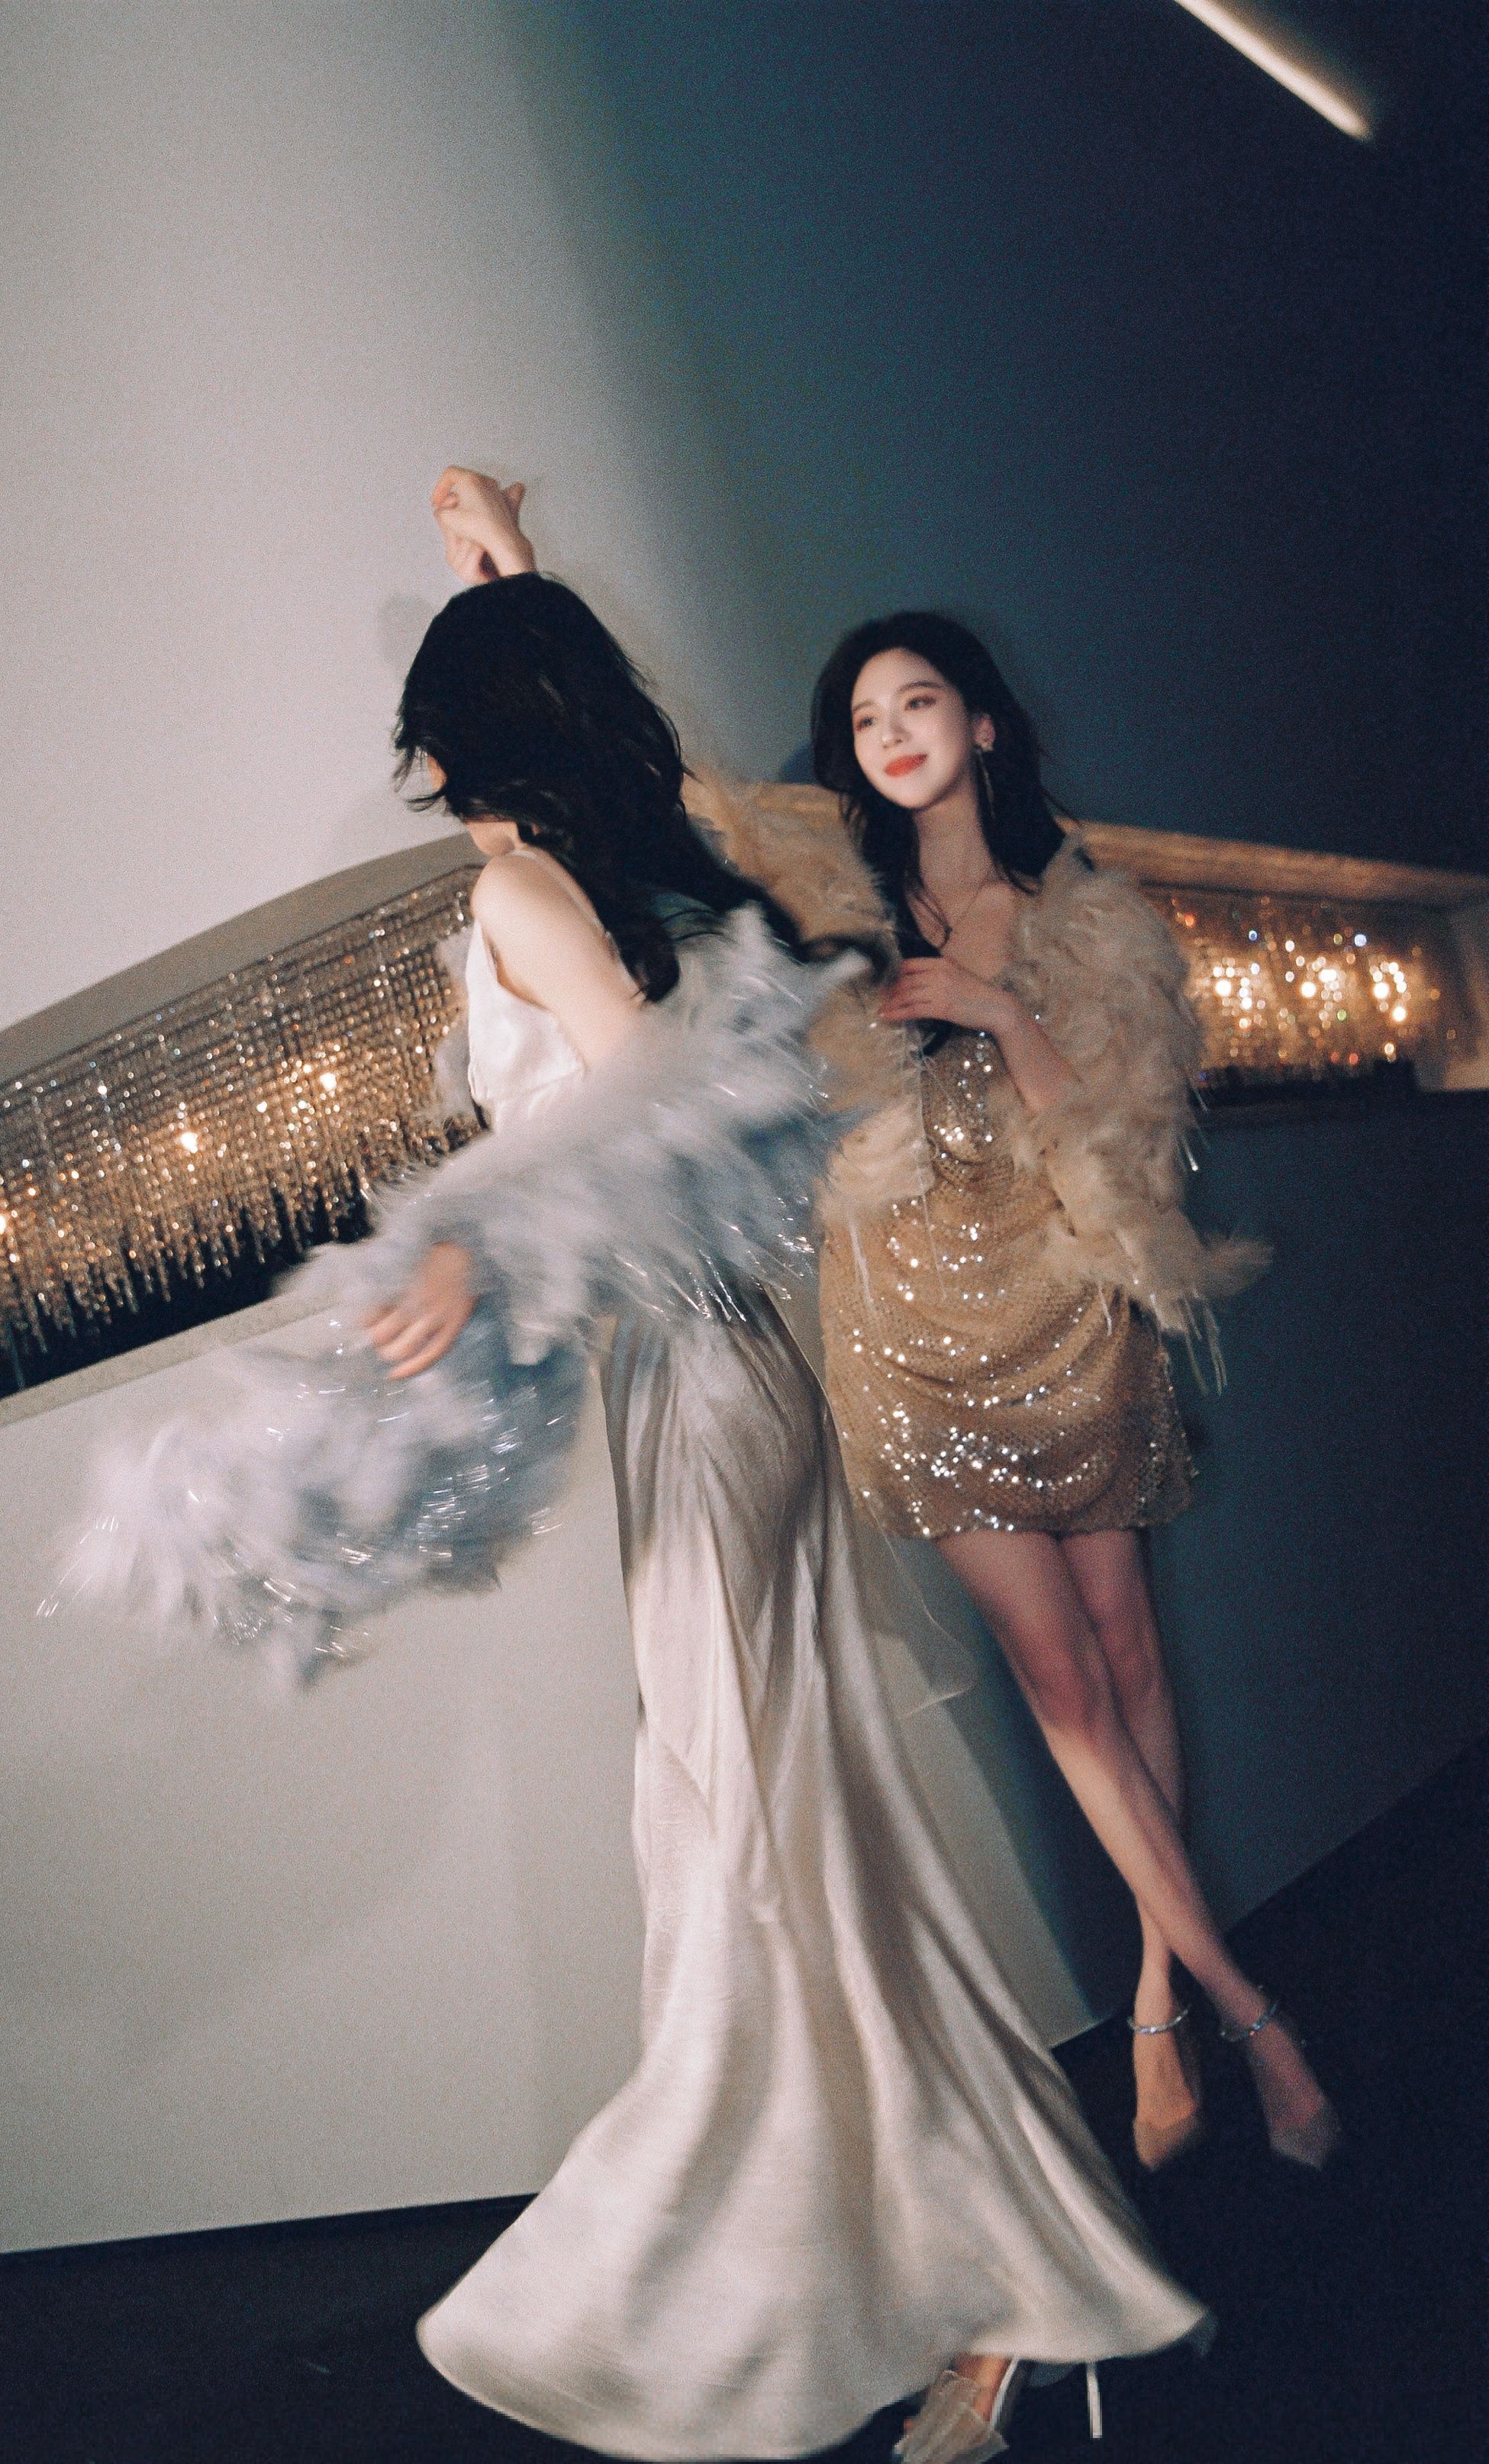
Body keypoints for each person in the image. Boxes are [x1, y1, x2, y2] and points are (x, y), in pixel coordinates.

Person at [364, 472, 1208, 2464]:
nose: (405, 765)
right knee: (798, 1822)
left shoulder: (524, 890)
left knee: (745, 1828)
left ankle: (921, 2270)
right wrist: (509, 578)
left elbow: (641, 1090)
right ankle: (973, 2268)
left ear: (450, 740)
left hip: (699, 1374)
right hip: (735, 1367)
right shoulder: (627, 870)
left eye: (419, 726)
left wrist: (472, 1231)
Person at [801, 611, 1340, 2179]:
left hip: (1069, 1302)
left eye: (919, 701)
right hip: (911, 1329)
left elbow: (1115, 1139)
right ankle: (1255, 2016)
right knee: (1057, 1678)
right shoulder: (839, 926)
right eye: (865, 718)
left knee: (1126, 1647)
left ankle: (1161, 1991)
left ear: (981, 725)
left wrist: (1003, 1011)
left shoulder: (1081, 919)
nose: (892, 733)